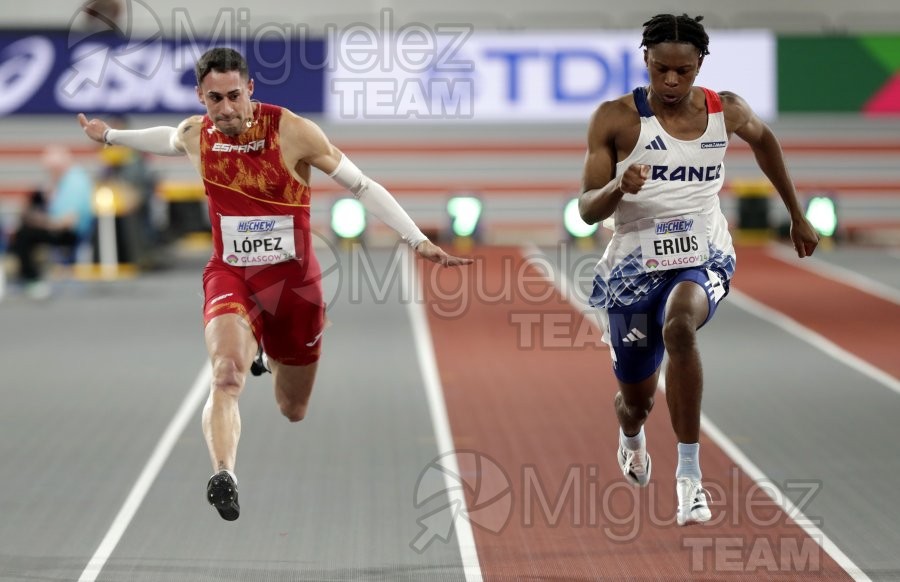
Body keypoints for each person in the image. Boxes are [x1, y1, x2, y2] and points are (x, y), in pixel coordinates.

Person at [78, 47, 472, 522]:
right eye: (213, 99)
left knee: (293, 408)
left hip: (294, 289)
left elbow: (362, 186)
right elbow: (168, 138)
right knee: (226, 374)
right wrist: (110, 136)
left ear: (251, 90)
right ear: (200, 98)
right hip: (233, 275)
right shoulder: (197, 134)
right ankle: (224, 473)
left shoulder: (293, 131)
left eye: (234, 96)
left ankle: (268, 349)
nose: (224, 109)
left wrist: (416, 238)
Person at [578, 14, 819, 526]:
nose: (670, 81)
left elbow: (765, 141)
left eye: (682, 71)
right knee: (634, 402)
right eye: (661, 69)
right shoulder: (615, 119)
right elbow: (586, 210)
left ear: (699, 65)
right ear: (644, 59)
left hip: (703, 251)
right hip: (633, 266)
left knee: (680, 326)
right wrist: (619, 187)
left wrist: (797, 215)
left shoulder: (724, 111)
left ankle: (690, 478)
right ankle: (631, 438)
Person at [10, 146, 95, 299]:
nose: (50, 174)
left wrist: (41, 223)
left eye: (51, 170)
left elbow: (67, 222)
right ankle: (27, 274)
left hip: (70, 233)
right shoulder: (67, 181)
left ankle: (31, 279)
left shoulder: (74, 182)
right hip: (62, 229)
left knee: (25, 234)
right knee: (25, 230)